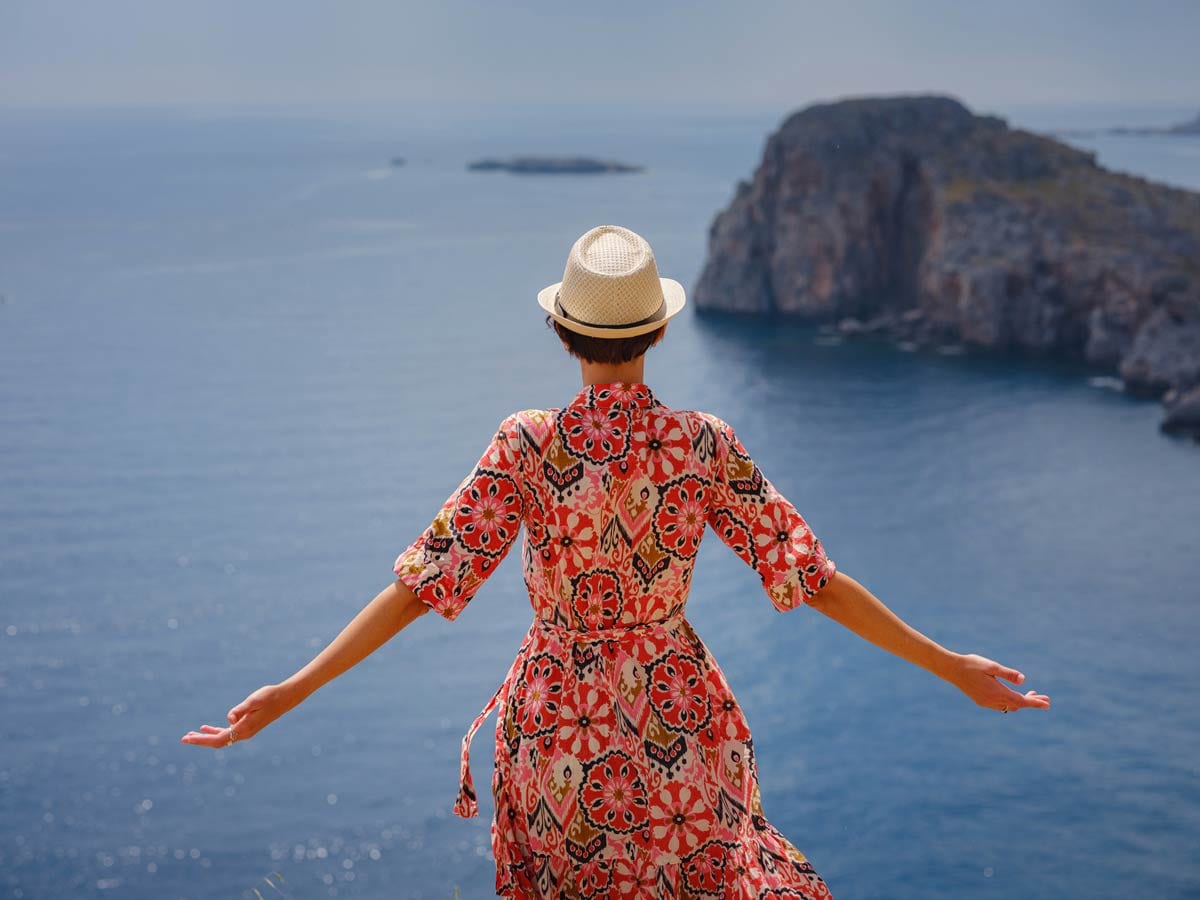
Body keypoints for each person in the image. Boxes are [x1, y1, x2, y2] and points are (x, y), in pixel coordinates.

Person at [182, 225, 1051, 898]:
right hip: (679, 717)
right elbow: (811, 580)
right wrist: (947, 666)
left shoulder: (525, 445)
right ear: (661, 330)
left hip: (557, 728)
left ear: (562, 331)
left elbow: (419, 589)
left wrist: (291, 692)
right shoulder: (702, 447)